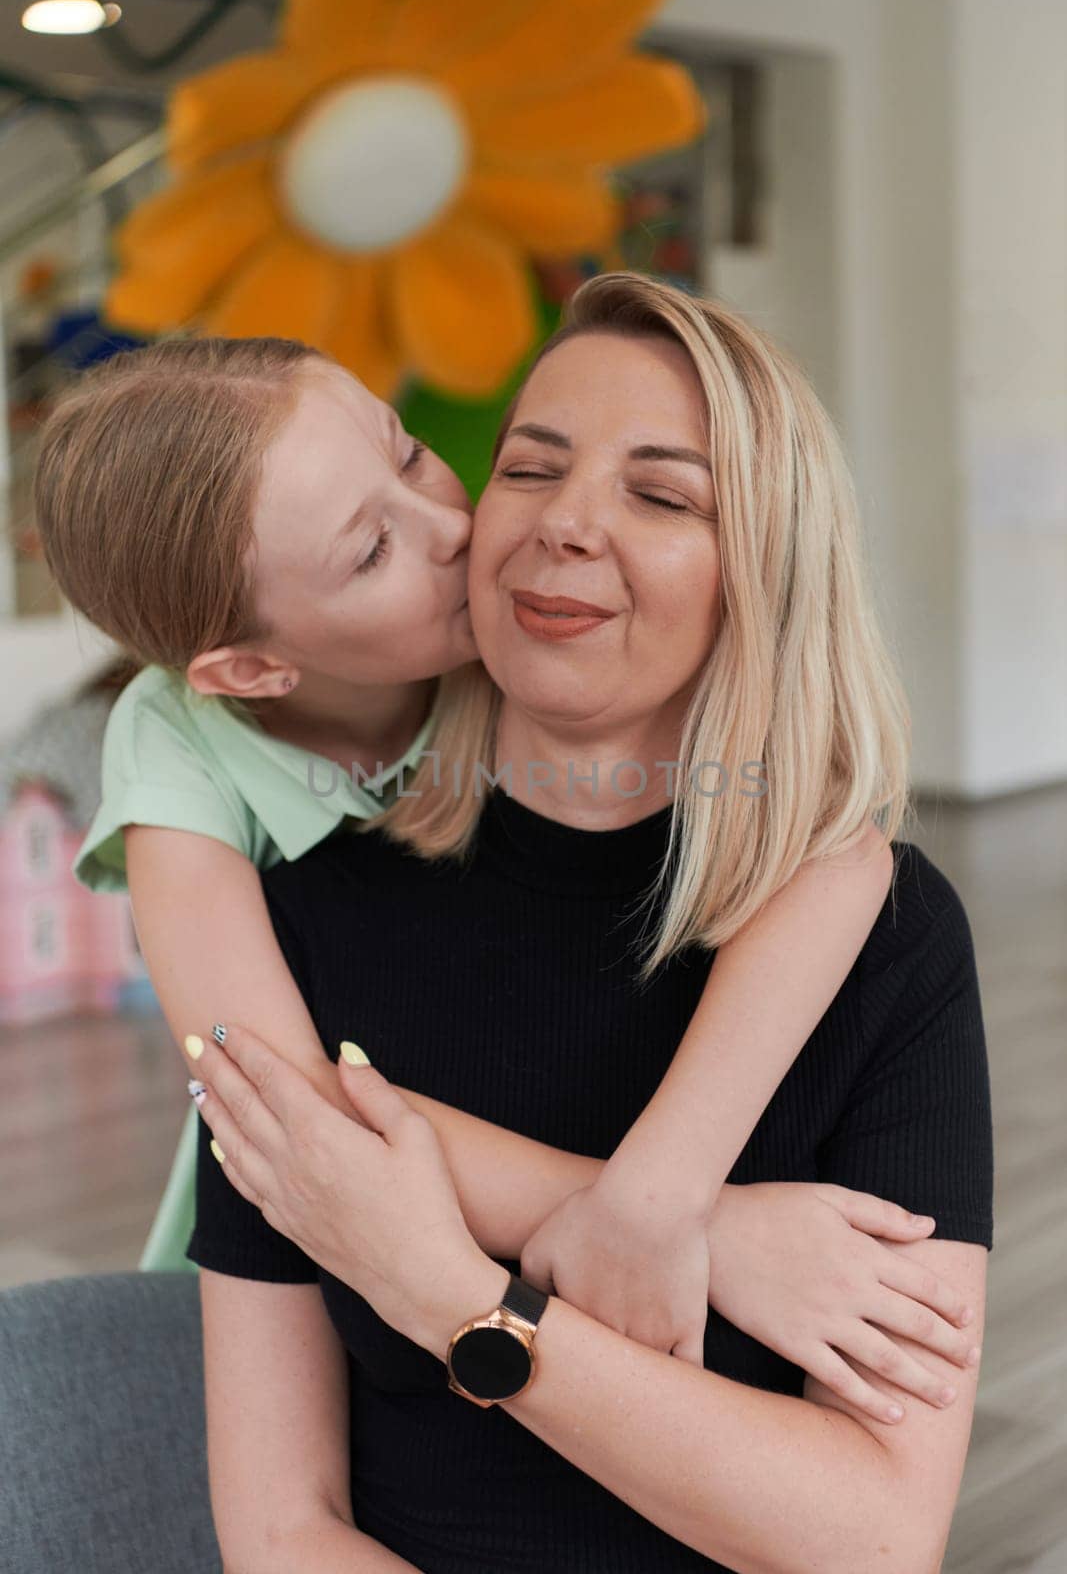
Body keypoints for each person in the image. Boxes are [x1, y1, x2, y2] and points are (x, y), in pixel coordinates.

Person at [182, 273, 994, 1573]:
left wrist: (454, 1299)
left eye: (659, 495)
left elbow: (871, 1537)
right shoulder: (306, 909)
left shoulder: (877, 940)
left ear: (761, 576)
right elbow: (282, 1525)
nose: (564, 523)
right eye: (529, 468)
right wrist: (703, 1232)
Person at [35, 324, 904, 1371]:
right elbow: (286, 1106)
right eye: (370, 550)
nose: (450, 525)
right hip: (307, 1265)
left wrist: (660, 1192)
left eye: (407, 454)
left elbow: (836, 846)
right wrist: (701, 1227)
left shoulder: (517, 630)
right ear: (252, 671)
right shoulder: (174, 738)